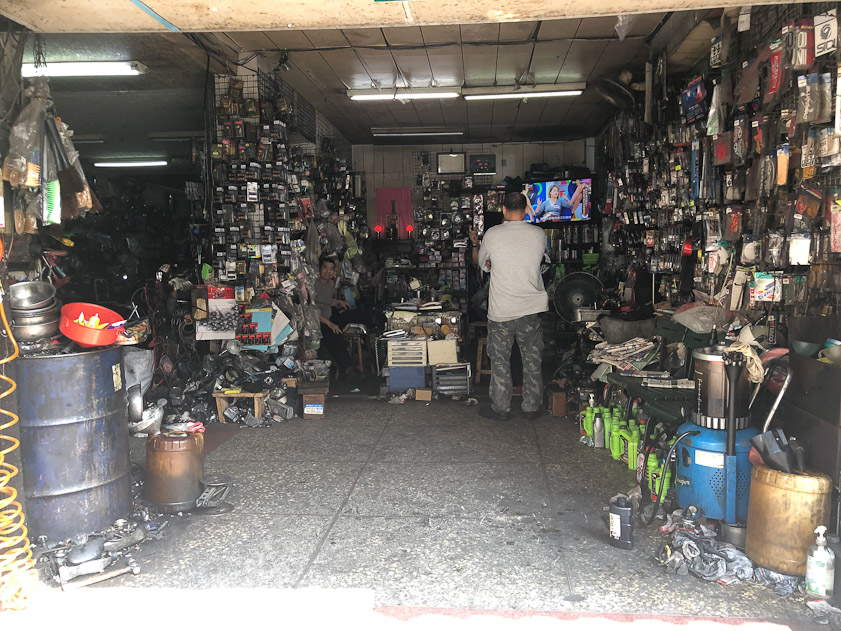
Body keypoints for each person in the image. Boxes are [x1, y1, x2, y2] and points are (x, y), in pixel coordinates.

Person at [470, 192, 547, 421]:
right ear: (526, 210)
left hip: (502, 309)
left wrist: (476, 244)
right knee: (532, 359)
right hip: (531, 307)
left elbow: (482, 264)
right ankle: (531, 407)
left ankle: (501, 408)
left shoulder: (493, 234)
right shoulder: (539, 234)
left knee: (500, 359)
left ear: (503, 210)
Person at [313, 257, 364, 380]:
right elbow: (311, 310)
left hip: (331, 315)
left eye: (331, 269)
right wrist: (330, 324)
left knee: (355, 313)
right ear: (319, 269)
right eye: (325, 268)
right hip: (320, 322)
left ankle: (375, 319)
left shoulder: (330, 284)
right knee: (337, 338)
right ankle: (348, 370)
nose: (328, 272)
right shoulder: (314, 284)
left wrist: (338, 301)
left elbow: (325, 301)